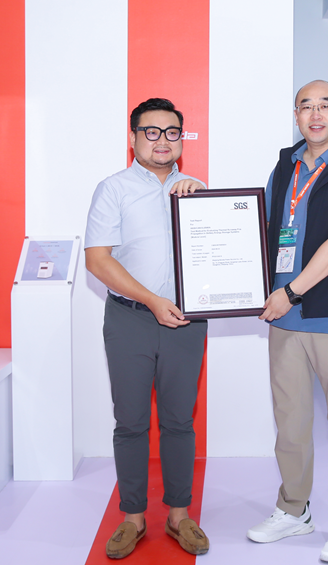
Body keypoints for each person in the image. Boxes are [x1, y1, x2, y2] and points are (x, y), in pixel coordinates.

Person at [247, 80, 328, 564]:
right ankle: (293, 510)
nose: (316, 113)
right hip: (283, 317)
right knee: (290, 423)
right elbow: (261, 225)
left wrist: (289, 292)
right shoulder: (286, 163)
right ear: (296, 115)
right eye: (306, 106)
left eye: (327, 105)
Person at [84, 98, 210, 559]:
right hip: (130, 319)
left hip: (186, 321)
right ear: (133, 138)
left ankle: (179, 515)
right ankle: (133, 518)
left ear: (181, 139)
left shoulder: (197, 191)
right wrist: (152, 301)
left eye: (172, 132)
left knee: (179, 421)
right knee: (131, 422)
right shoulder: (113, 189)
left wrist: (204, 203)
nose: (162, 141)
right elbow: (98, 260)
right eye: (151, 132)